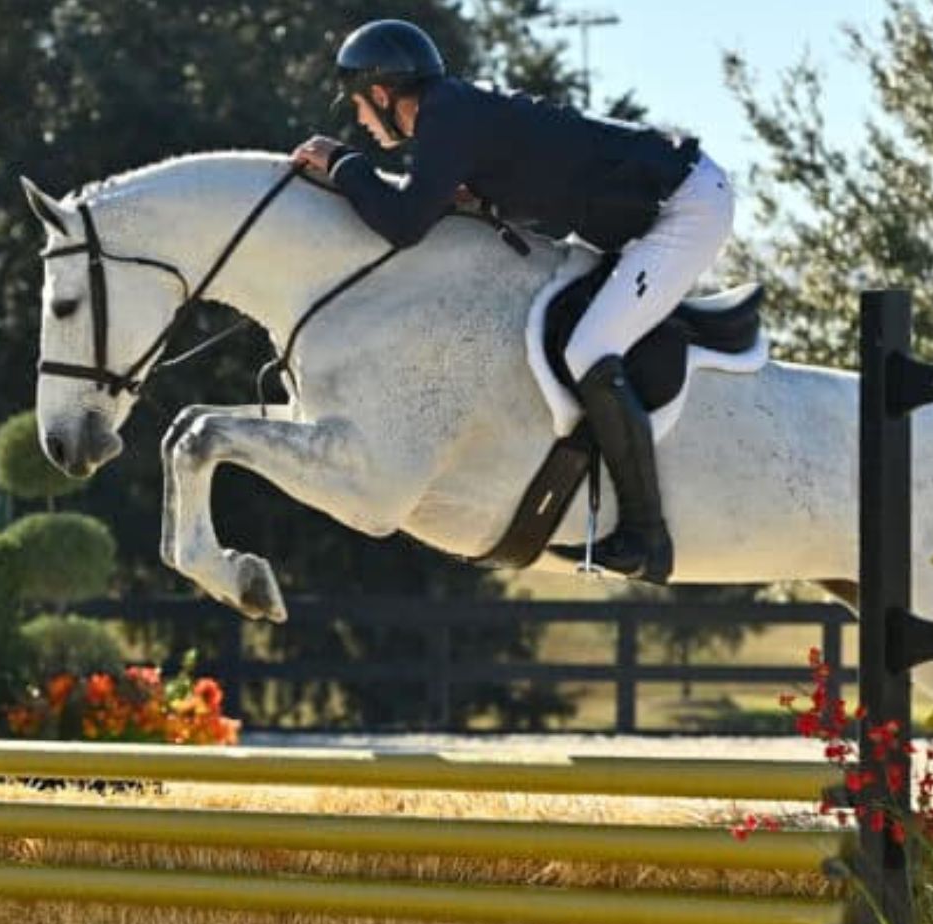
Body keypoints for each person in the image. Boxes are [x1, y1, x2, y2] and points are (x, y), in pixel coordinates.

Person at [291, 19, 735, 584]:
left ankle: (648, 538)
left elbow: (403, 224)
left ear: (382, 94)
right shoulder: (451, 113)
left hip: (683, 210)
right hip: (643, 211)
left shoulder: (446, 115)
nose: (357, 121)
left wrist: (343, 164)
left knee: (589, 348)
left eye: (357, 107)